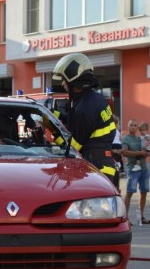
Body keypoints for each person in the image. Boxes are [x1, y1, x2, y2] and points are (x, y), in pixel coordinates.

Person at [50, 52, 117, 184]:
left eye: (64, 80)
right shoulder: (95, 99)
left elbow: (72, 147)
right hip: (103, 164)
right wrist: (52, 115)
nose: (62, 84)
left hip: (94, 168)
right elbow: (75, 121)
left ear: (73, 79)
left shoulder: (84, 108)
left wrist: (51, 128)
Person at [122, 119, 150, 224]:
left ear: (137, 127)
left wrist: (148, 153)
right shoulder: (126, 138)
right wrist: (139, 153)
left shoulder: (140, 138)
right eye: (131, 125)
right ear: (128, 126)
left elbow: (147, 150)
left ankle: (141, 217)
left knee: (144, 192)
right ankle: (125, 218)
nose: (133, 127)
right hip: (132, 169)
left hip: (144, 168)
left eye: (135, 125)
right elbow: (124, 152)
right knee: (129, 192)